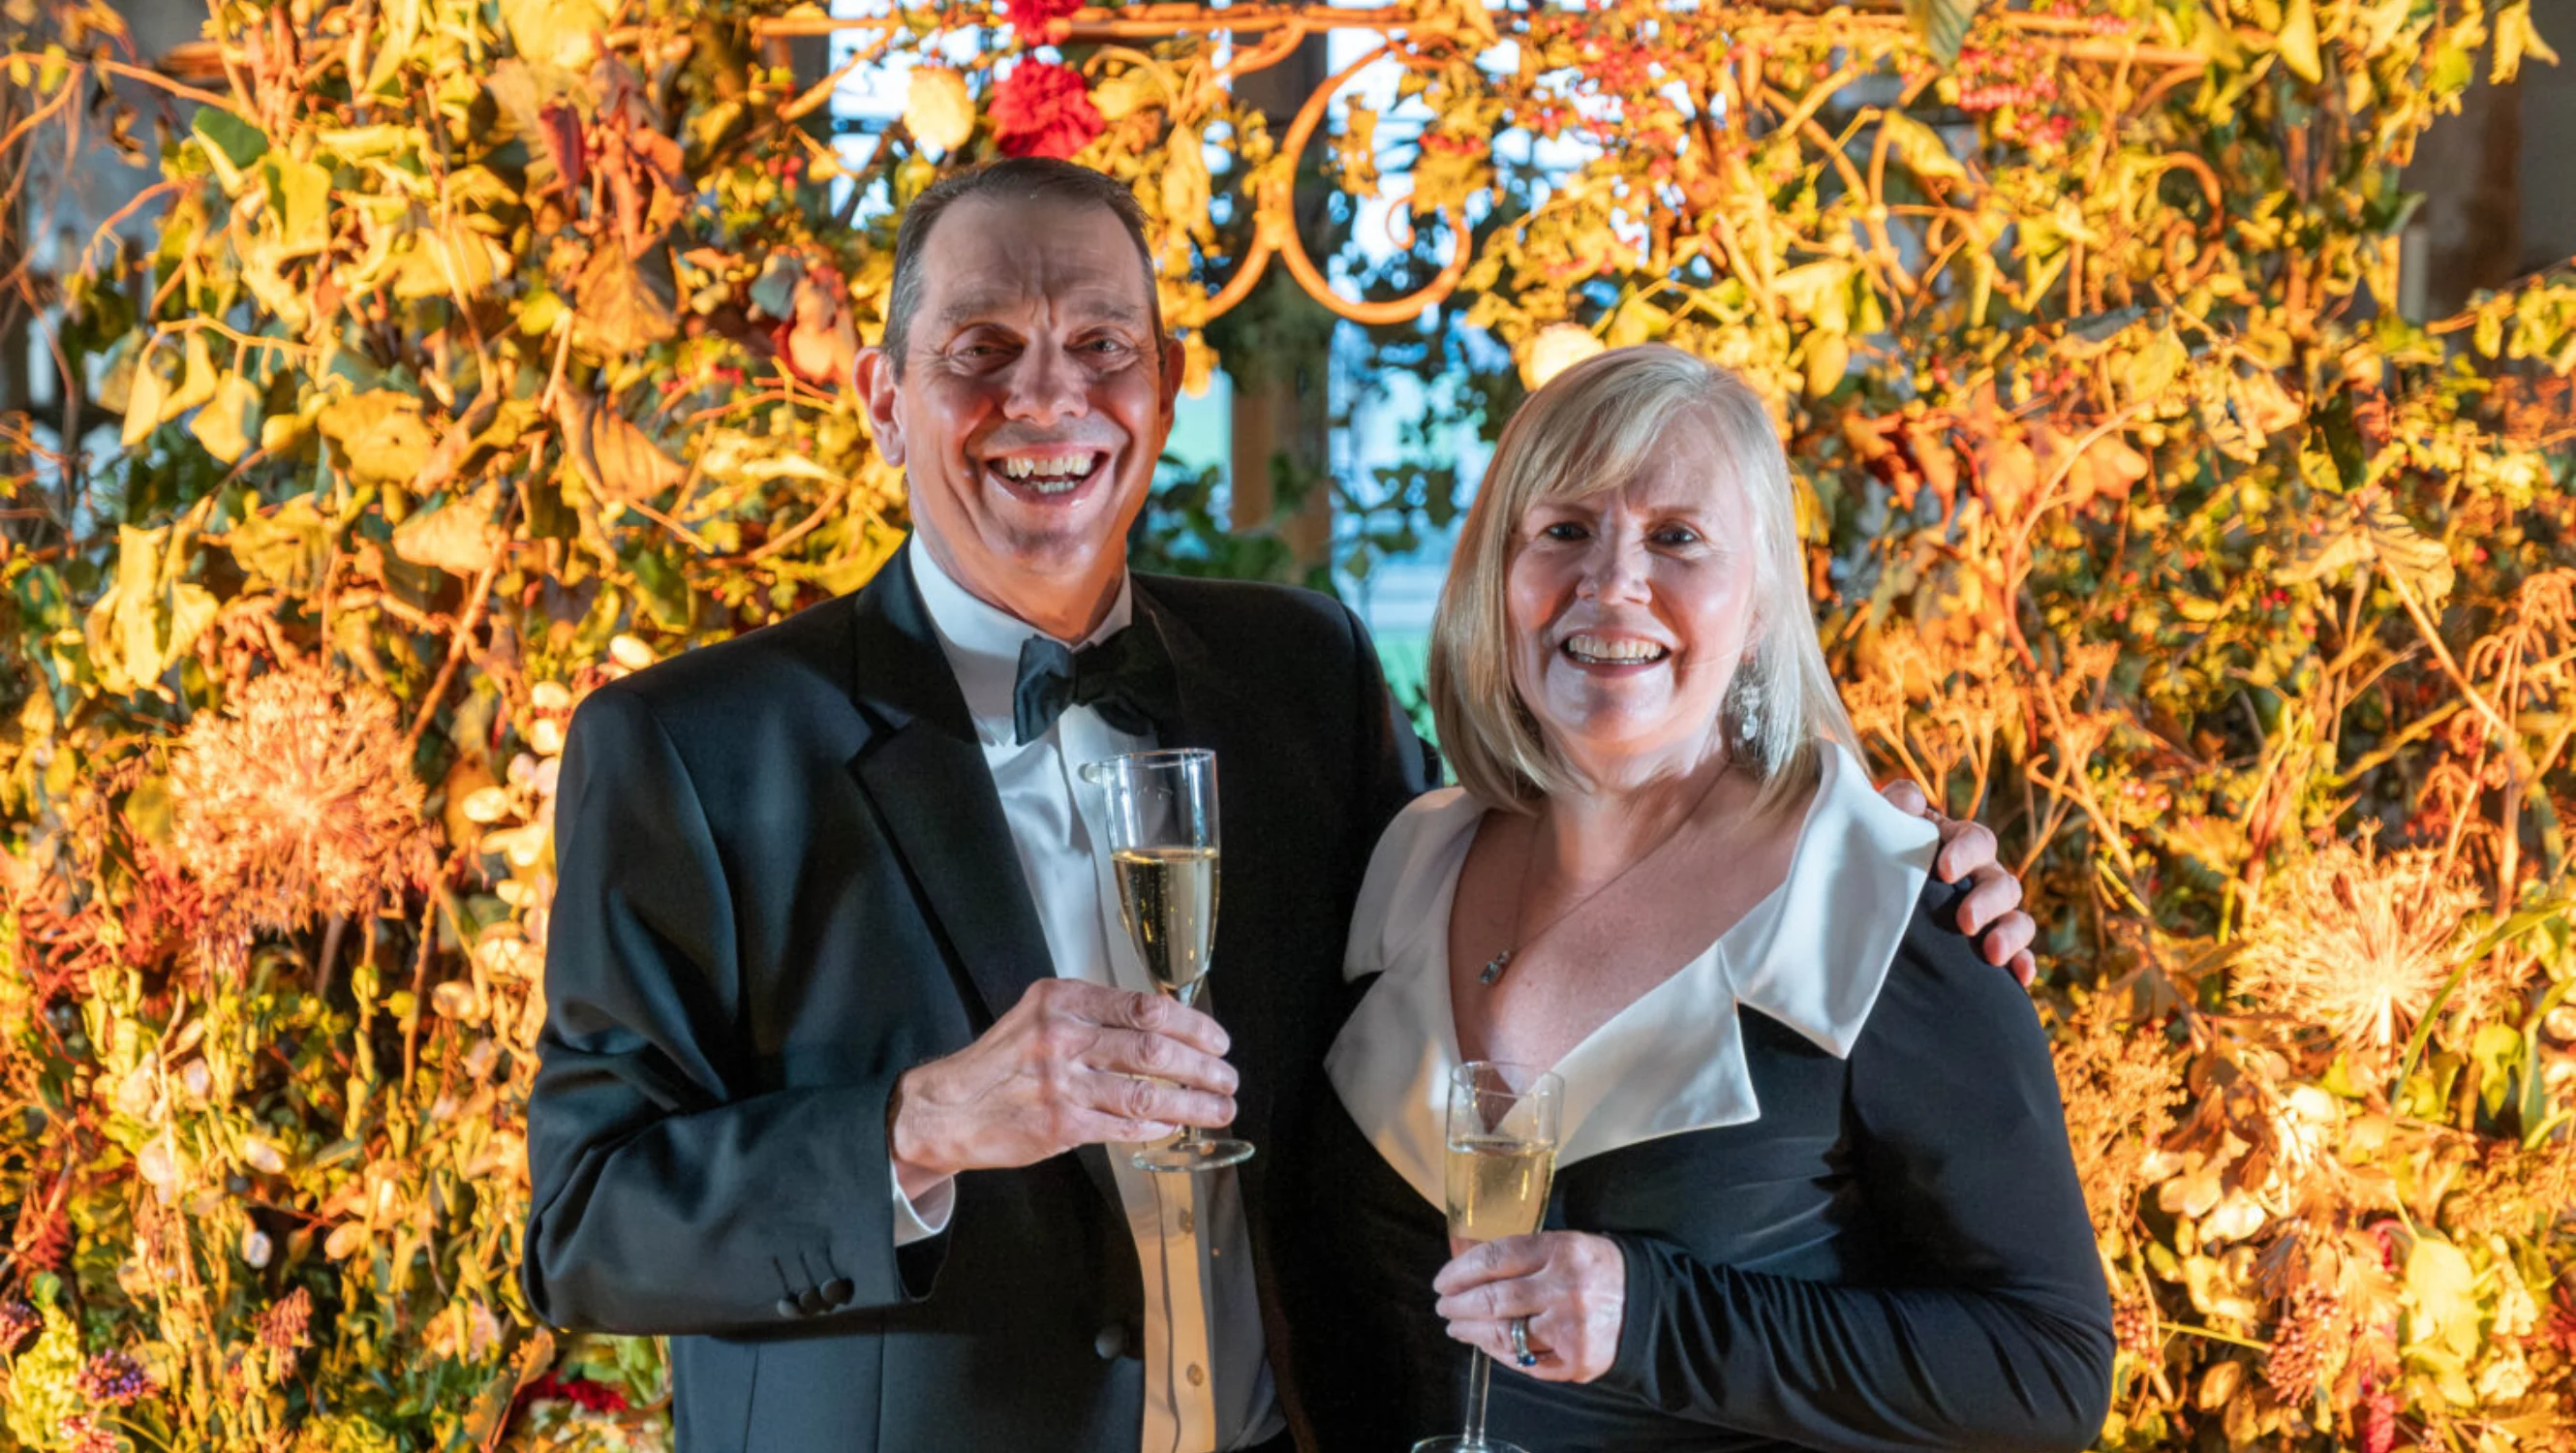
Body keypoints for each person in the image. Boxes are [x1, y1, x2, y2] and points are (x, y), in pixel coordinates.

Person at [519, 160, 2039, 1453]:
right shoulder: (690, 748)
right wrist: (926, 1126)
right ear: (882, 397)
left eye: (1103, 344)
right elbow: (584, 1229)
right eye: (982, 346)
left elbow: (1535, 893)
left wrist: (1871, 868)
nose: (1049, 397)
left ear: (1168, 392)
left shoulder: (1295, 676)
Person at [1305, 345, 2113, 1451]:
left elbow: (2046, 1372)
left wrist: (1655, 1320)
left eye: (1676, 537)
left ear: (1764, 599)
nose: (1611, 582)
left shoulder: (1889, 909)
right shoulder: (1407, 863)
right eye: (1562, 529)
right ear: (1499, 573)